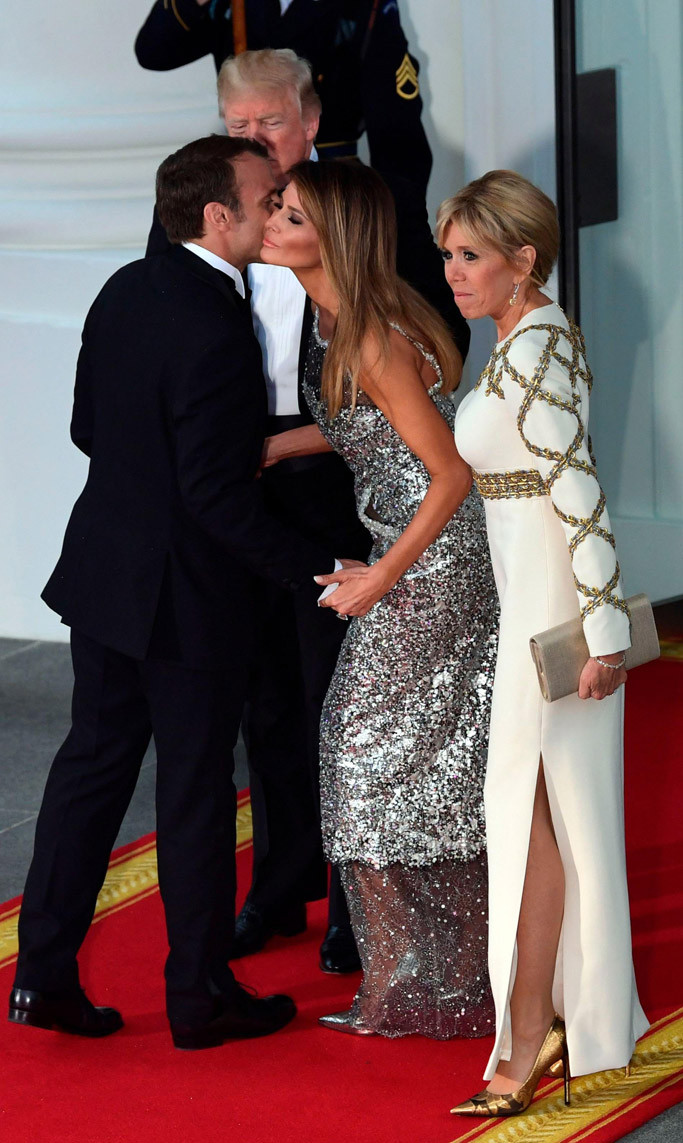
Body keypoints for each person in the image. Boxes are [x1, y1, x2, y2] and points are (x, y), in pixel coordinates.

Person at [8, 136, 352, 1051]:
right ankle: (199, 995)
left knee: (88, 775)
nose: (275, 203)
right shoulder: (212, 319)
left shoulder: (126, 285)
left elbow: (88, 427)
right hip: (189, 600)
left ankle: (41, 976)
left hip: (106, 579)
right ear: (217, 216)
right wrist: (312, 571)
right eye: (263, 194)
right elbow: (213, 493)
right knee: (196, 791)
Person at [144, 47, 470, 974]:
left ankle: (352, 901)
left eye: (267, 124)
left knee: (340, 696)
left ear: (311, 120)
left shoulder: (365, 207)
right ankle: (283, 883)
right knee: (264, 699)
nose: (250, 141)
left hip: (343, 490)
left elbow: (419, 365)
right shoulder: (204, 210)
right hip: (239, 484)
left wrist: (301, 444)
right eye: (235, 124)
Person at [260, 158, 499, 1038]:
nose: (272, 221)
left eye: (289, 212)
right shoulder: (339, 319)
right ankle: (431, 983)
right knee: (405, 765)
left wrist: (381, 575)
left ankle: (436, 986)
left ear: (333, 235)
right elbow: (370, 426)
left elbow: (449, 473)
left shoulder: (368, 332)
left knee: (366, 760)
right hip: (407, 550)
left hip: (429, 559)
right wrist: (281, 448)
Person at [436, 170, 648, 1115]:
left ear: (522, 260)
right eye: (446, 253)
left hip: (551, 622)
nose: (451, 272)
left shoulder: (534, 351)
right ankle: (557, 1018)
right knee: (543, 824)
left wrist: (603, 636)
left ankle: (526, 1040)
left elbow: (581, 492)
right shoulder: (521, 340)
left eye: (469, 255)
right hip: (531, 602)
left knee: (528, 828)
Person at [134, 0, 433, 190]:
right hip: (243, 184)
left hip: (327, 184)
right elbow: (154, 53)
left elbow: (398, 139)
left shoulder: (362, 6)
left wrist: (391, 226)